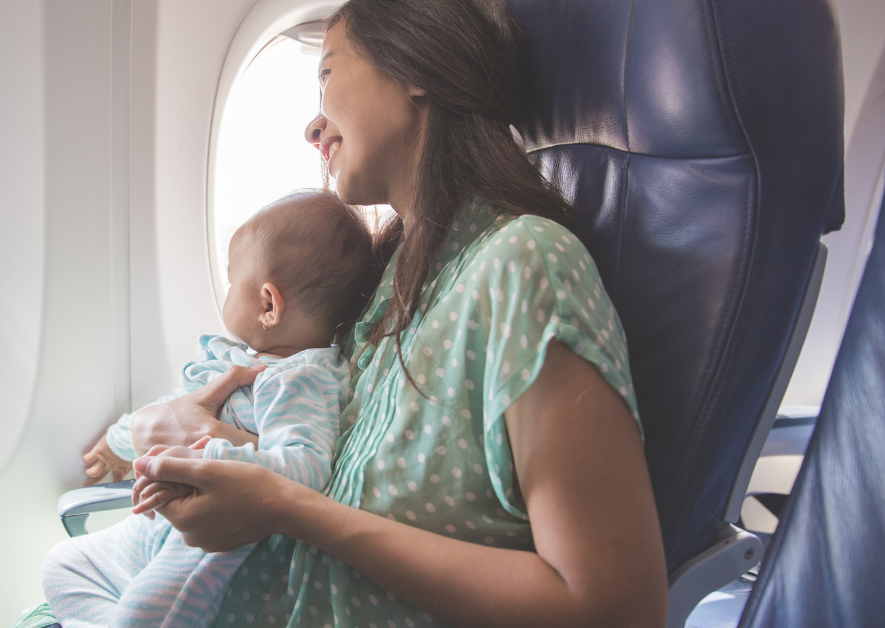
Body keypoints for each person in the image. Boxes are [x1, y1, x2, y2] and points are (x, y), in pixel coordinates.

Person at [123, 0, 669, 626]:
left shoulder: (524, 266)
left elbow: (615, 608)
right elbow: (336, 470)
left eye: (326, 75)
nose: (312, 125)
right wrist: (205, 438)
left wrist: (286, 507)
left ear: (414, 68)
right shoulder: (390, 283)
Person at [40, 191, 383, 628]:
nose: (226, 290)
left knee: (140, 618)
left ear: (267, 304)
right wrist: (117, 442)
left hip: (210, 539)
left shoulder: (301, 379)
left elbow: (306, 467)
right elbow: (173, 408)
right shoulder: (240, 360)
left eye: (230, 280)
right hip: (155, 525)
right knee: (64, 564)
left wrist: (212, 456)